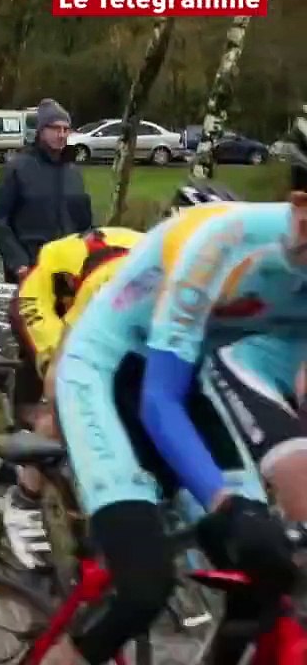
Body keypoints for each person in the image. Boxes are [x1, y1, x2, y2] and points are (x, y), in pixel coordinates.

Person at [43, 187, 307, 663]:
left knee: (265, 578)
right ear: (301, 208)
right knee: (143, 589)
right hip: (105, 371)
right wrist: (227, 505)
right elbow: (158, 402)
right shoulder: (223, 241)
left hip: (189, 376)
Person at [2, 224, 145, 571]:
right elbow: (71, 357)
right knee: (67, 393)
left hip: (98, 277)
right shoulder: (123, 287)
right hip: (47, 295)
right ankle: (24, 500)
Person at [0, 98, 91, 285]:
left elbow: (84, 223)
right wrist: (18, 263)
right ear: (41, 131)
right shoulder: (16, 169)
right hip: (28, 271)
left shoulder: (73, 173)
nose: (61, 135)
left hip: (68, 272)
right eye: (55, 128)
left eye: (65, 129)